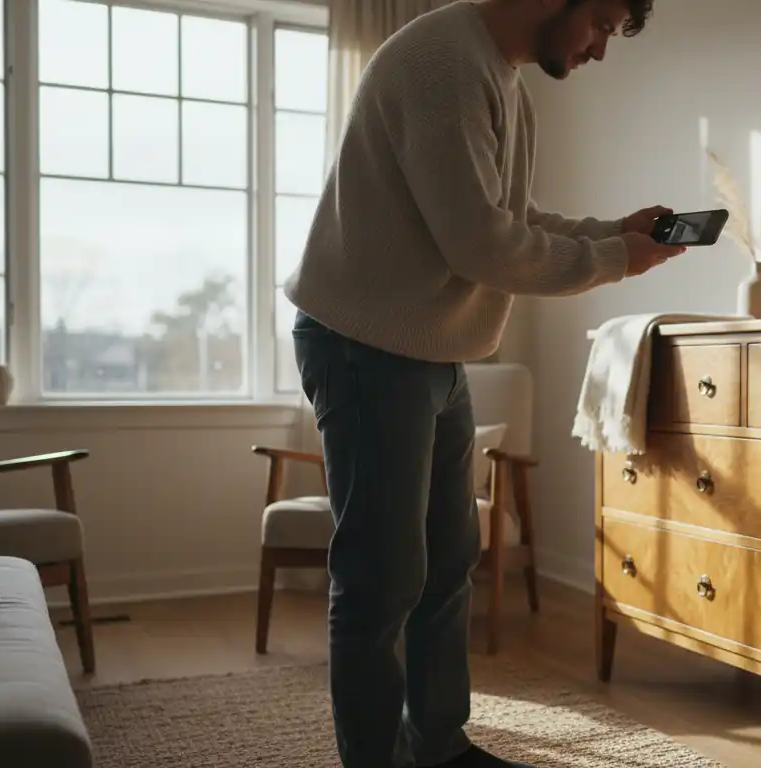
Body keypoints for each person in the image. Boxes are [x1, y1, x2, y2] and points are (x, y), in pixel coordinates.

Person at [282, 1, 678, 766]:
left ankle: (438, 746)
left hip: (429, 349)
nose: (600, 50)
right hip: (365, 347)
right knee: (381, 578)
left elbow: (510, 215)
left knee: (447, 556)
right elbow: (480, 245)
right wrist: (617, 259)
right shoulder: (443, 66)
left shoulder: (499, 76)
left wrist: (612, 231)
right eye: (600, 22)